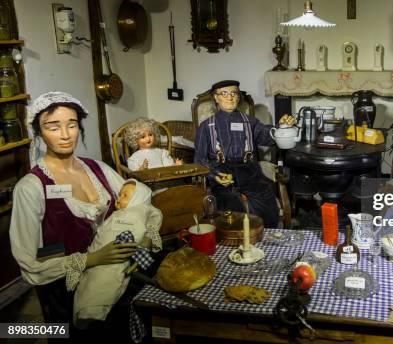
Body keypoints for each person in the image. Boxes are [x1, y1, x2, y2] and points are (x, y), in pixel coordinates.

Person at [9, 92, 162, 339]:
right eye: (53, 127)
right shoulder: (31, 187)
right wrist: (91, 259)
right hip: (68, 293)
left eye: (71, 124)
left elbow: (143, 207)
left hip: (120, 280)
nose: (65, 134)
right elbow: (29, 264)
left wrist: (145, 239)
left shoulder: (98, 169)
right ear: (38, 132)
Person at [194, 80, 295, 227]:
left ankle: (264, 241)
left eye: (234, 93)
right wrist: (215, 176)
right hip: (222, 173)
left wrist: (282, 127)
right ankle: (235, 243)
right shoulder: (205, 127)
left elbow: (267, 136)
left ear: (239, 96)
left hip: (250, 171)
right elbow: (200, 159)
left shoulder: (250, 122)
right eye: (224, 94)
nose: (230, 97)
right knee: (231, 211)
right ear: (216, 98)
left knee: (267, 207)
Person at [73, 180, 160, 327]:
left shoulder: (140, 211)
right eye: (119, 195)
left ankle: (91, 310)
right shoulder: (117, 214)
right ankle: (85, 309)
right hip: (96, 254)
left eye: (125, 196)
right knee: (90, 278)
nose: (119, 199)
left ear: (138, 199)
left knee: (106, 278)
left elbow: (155, 218)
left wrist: (147, 239)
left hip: (115, 256)